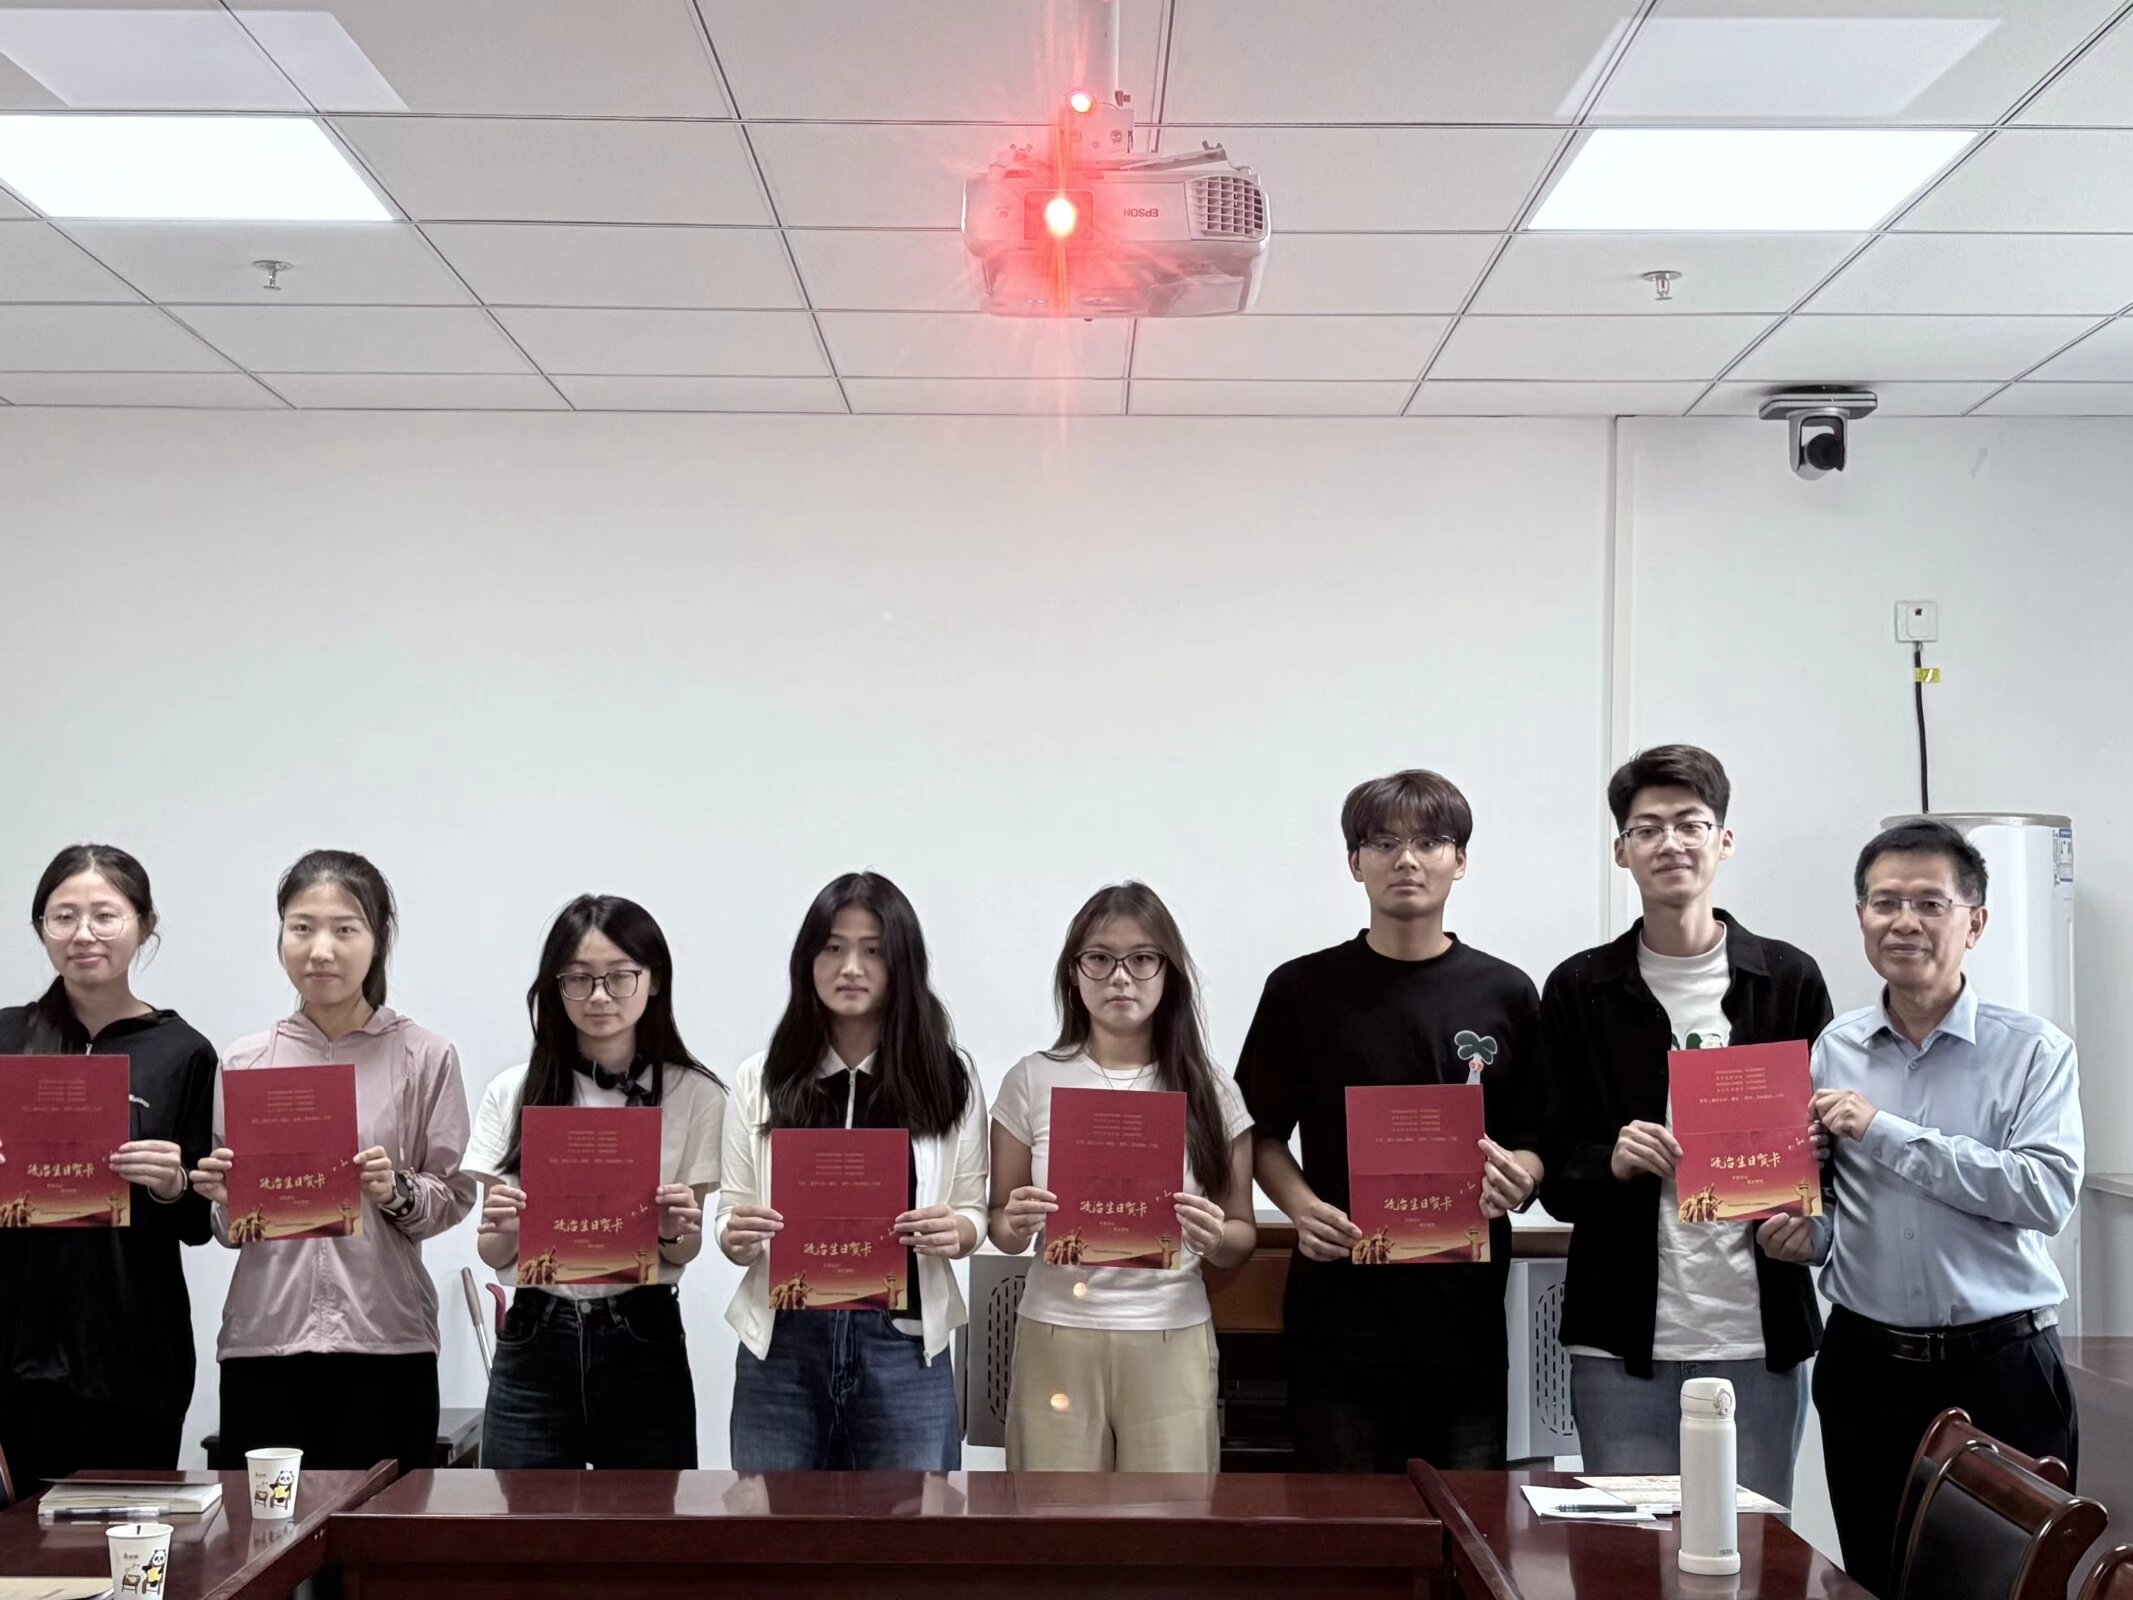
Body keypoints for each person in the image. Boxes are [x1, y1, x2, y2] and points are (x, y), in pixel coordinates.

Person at [1790, 820, 2082, 1598]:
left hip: (2001, 1369)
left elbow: (2045, 1193)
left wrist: (1885, 1132)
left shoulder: (2033, 1051)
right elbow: (1835, 1209)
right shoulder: (1833, 1049)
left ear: (1974, 922)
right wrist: (1803, 1237)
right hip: (1865, 1367)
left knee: (2008, 1586)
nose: (1904, 922)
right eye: (1884, 902)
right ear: (1860, 917)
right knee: (1875, 1579)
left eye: (1929, 903)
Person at [1535, 745, 1832, 1506]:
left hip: (1759, 1336)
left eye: (1690, 824)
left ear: (1723, 840)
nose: (1670, 842)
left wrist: (1811, 1210)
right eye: (1648, 828)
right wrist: (1611, 1160)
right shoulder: (1579, 988)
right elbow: (1553, 1170)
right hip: (1619, 1340)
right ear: (1621, 850)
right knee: (1627, 1553)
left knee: (1752, 1549)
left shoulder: (1787, 980)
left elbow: (1830, 1152)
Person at [1236, 769, 1546, 1472]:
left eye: (1429, 842)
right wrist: (1301, 1207)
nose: (1406, 859)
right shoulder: (1301, 990)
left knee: (1464, 1523)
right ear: (1355, 863)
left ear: (1460, 861)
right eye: (1383, 843)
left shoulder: (1504, 991)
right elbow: (1257, 1131)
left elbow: (1537, 1138)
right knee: (1342, 1524)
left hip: (1463, 1320)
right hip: (1337, 1314)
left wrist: (1520, 1177)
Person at [189, 849, 475, 1475]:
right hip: (266, 1341)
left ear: (378, 941)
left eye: (345, 929)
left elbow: (453, 1194)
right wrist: (225, 1201)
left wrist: (394, 1189)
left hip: (386, 1341)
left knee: (383, 1530)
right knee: (264, 1531)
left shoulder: (425, 1056)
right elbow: (230, 1229)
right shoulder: (245, 1061)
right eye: (302, 927)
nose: (321, 950)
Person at [717, 871, 988, 1471]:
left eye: (873, 950)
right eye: (833, 947)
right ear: (807, 960)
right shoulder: (761, 1078)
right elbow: (731, 1210)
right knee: (771, 1523)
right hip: (784, 1347)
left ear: (902, 963)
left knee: (916, 1524)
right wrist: (735, 1237)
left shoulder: (949, 1077)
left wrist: (959, 1231)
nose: (851, 968)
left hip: (903, 1348)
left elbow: (972, 1205)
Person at [989, 882, 1256, 1472]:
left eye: (1141, 959)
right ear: (1073, 973)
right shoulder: (1031, 1079)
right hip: (1057, 1329)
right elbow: (999, 1226)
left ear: (1168, 974)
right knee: (1051, 1515)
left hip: (1170, 1330)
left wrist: (1215, 1237)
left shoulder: (1211, 1088)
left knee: (1170, 1519)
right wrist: (1016, 1221)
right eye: (1099, 958)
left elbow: (1241, 1236)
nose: (1120, 977)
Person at [464, 895, 725, 1468]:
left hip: (643, 1332)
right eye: (578, 979)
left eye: (619, 977)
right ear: (555, 988)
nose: (600, 996)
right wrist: (505, 1226)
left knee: (648, 1519)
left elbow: (684, 1248)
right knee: (520, 1519)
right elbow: (494, 1253)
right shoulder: (513, 1090)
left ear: (654, 980)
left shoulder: (697, 1095)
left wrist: (672, 1228)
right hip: (536, 1330)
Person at [0, 845, 218, 1489]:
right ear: (41, 927)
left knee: (132, 1535)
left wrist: (175, 1183)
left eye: (105, 915)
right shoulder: (6, 1039)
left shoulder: (183, 1051)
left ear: (145, 925)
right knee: (20, 1544)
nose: (83, 934)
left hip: (135, 1349)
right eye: (63, 916)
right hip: (14, 1351)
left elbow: (199, 1223)